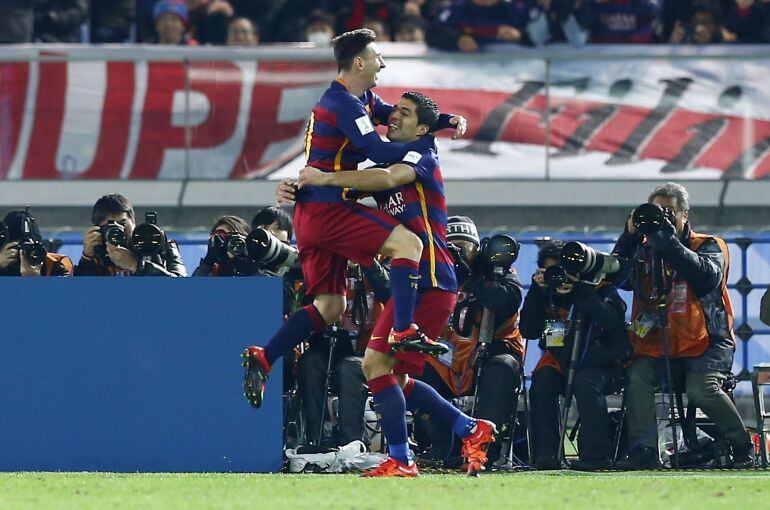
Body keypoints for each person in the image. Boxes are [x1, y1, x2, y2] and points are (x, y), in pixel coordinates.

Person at [241, 29, 466, 412]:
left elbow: (392, 115)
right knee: (408, 243)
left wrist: (442, 120)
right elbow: (378, 148)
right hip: (329, 209)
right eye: (378, 56)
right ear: (359, 62)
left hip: (311, 211)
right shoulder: (342, 104)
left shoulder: (359, 99)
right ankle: (404, 328)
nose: (383, 63)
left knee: (331, 305)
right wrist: (426, 146)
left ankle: (265, 356)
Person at [296, 91, 495, 478]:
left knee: (374, 365)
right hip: (414, 284)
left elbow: (386, 177)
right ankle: (469, 429)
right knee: (394, 378)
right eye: (395, 111)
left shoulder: (421, 155)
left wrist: (325, 176)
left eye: (404, 114)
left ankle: (403, 459)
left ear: (423, 127)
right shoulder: (397, 158)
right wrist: (300, 190)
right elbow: (348, 197)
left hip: (431, 280)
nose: (393, 119)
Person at [613, 182, 754, 469]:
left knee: (702, 389)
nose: (662, 218)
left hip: (708, 343)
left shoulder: (709, 244)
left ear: (684, 215)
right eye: (657, 212)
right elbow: (617, 279)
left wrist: (667, 243)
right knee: (637, 375)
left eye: (669, 212)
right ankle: (644, 451)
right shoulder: (642, 249)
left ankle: (743, 446)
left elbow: (707, 278)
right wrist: (628, 237)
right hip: (659, 342)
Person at [416, 216, 525, 467]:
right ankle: (444, 448)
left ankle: (484, 447)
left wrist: (473, 279)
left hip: (489, 351)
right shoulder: (433, 271)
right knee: (414, 370)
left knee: (503, 366)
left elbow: (508, 300)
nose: (458, 253)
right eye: (450, 246)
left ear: (478, 247)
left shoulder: (498, 267)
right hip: (446, 352)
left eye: (464, 246)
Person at [521, 240, 630, 471]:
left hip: (601, 363)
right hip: (560, 360)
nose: (560, 277)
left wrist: (582, 292)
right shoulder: (544, 294)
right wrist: (536, 292)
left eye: (564, 271)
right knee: (541, 382)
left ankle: (595, 457)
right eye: (552, 272)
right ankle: (546, 455)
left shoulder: (600, 288)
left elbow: (614, 324)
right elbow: (528, 330)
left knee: (585, 383)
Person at [74, 194, 186, 277]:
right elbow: (78, 295)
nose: (119, 230)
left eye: (123, 224)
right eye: (110, 227)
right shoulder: (96, 253)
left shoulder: (158, 244)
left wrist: (136, 266)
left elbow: (182, 286)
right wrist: (86, 258)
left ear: (133, 222)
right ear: (98, 230)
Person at [0, 209, 73, 277]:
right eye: (16, 247)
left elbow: (67, 290)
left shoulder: (53, 264)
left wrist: (35, 280)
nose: (21, 253)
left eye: (26, 247)